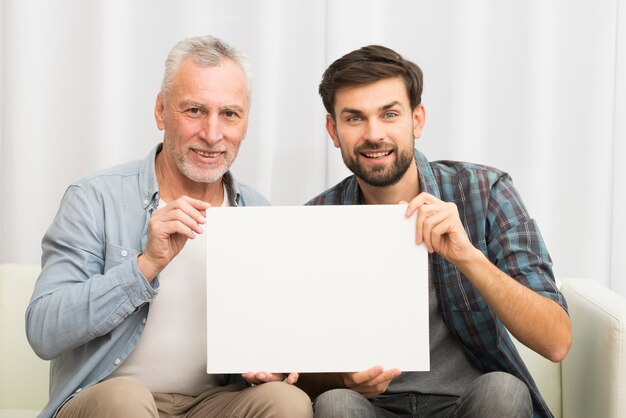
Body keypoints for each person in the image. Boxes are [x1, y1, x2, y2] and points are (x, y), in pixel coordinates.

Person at [26, 35, 312, 418]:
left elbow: (271, 333)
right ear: (161, 111)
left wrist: (271, 362)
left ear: (245, 123)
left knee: (287, 401)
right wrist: (145, 265)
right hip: (109, 400)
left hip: (212, 403)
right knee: (125, 399)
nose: (212, 134)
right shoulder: (95, 198)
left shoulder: (256, 210)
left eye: (229, 114)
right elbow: (44, 332)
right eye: (194, 110)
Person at [297, 45, 571, 418]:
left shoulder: (485, 191)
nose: (374, 134)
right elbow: (297, 368)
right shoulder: (315, 219)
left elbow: (556, 341)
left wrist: (468, 256)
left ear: (417, 119)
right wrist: (343, 380)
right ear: (334, 130)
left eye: (389, 114)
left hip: (469, 403)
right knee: (334, 402)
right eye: (355, 118)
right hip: (373, 407)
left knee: (503, 390)